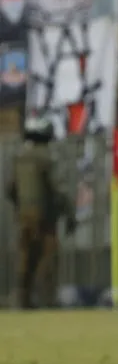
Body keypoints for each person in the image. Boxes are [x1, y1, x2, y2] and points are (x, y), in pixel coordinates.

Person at [6, 117, 72, 309]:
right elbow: (58, 189)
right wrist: (70, 214)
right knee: (47, 257)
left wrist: (21, 207)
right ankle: (47, 300)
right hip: (44, 216)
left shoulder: (19, 158)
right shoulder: (47, 157)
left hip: (24, 215)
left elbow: (10, 188)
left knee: (25, 257)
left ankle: (22, 300)